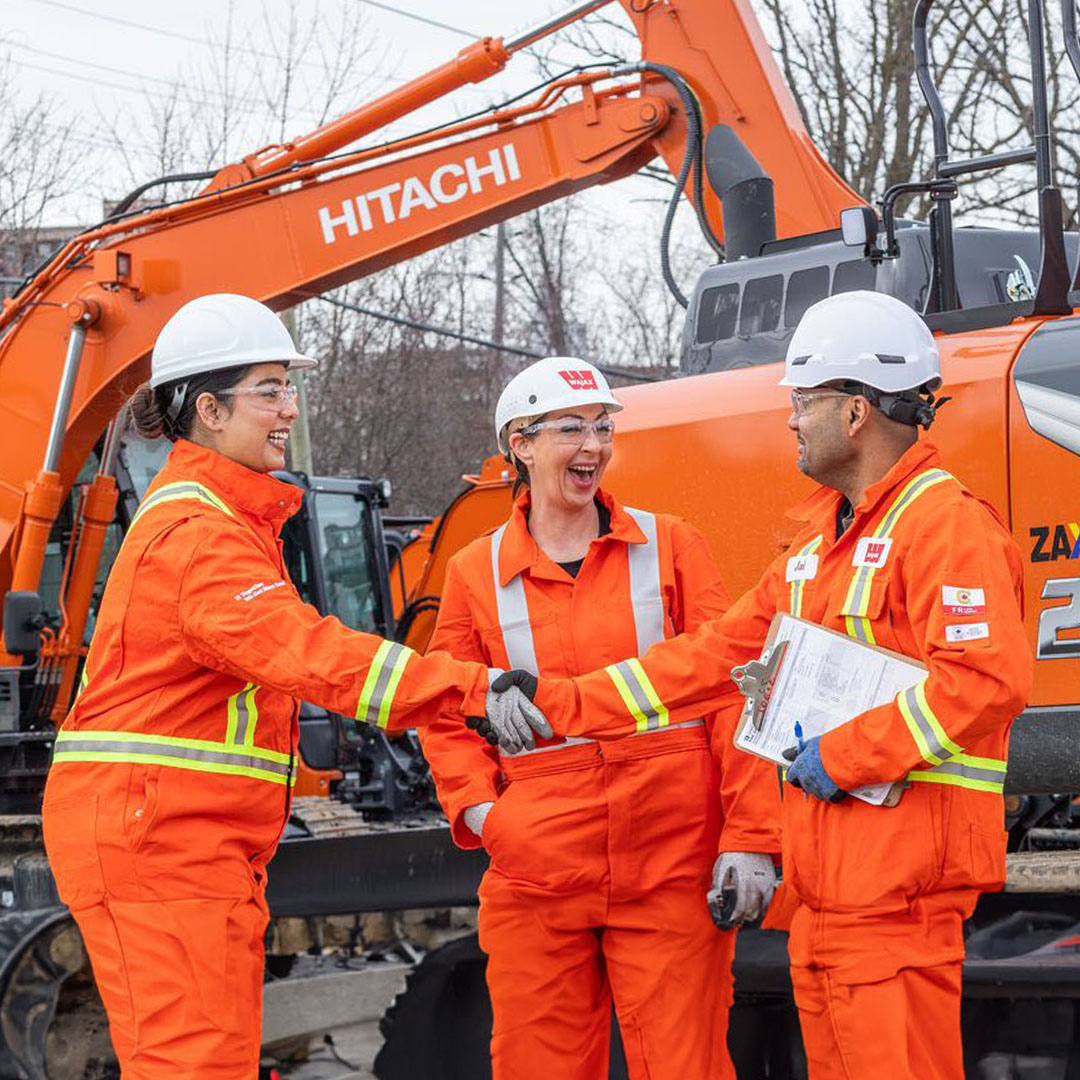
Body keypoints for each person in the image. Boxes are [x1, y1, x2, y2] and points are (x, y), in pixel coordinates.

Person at [484, 293, 1033, 1080]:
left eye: (803, 402)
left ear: (854, 413)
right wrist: (561, 703)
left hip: (898, 898)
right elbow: (708, 658)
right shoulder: (821, 543)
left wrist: (842, 756)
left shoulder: (944, 527)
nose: (790, 421)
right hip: (832, 902)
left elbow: (985, 681)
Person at [40, 293, 542, 1080]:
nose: (288, 409)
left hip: (183, 838)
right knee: (194, 1066)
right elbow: (312, 653)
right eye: (269, 390)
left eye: (289, 387)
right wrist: (473, 691)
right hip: (161, 839)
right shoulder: (198, 535)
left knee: (217, 1060)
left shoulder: (223, 520)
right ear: (207, 408)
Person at [419, 356, 780, 1080]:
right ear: (519, 444)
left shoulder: (672, 545)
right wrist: (489, 818)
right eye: (571, 430)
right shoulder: (473, 572)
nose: (594, 447)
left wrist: (749, 837)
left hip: (670, 861)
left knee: (685, 1067)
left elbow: (733, 690)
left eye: (603, 428)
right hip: (538, 871)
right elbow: (444, 709)